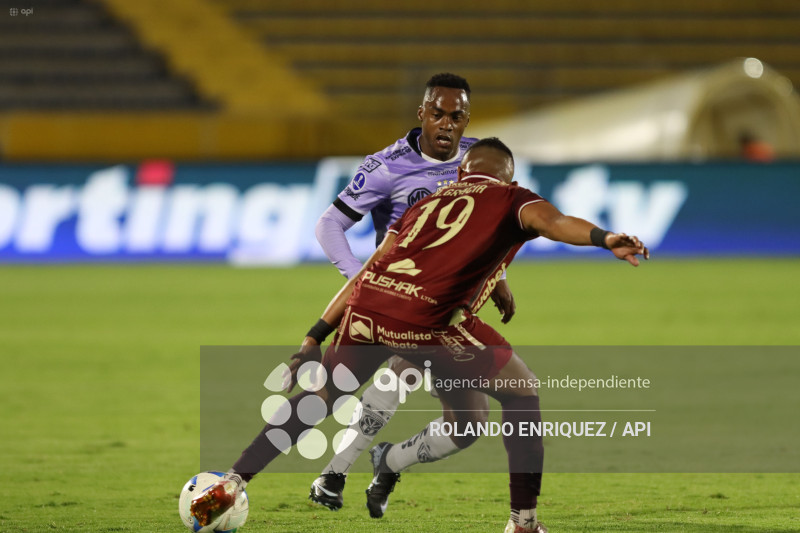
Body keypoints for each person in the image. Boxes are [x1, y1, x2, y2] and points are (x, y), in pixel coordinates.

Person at [190, 137, 649, 533]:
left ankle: (231, 482)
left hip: (370, 308)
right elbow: (555, 223)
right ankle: (524, 522)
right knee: (522, 390)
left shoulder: (424, 205)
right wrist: (605, 237)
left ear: (463, 170)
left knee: (327, 397)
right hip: (427, 322)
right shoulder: (513, 198)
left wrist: (314, 335)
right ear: (508, 175)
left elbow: (369, 270)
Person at [311, 72, 515, 514]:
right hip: (406, 297)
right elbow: (329, 224)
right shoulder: (386, 166)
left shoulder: (477, 159)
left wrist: (496, 280)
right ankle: (332, 472)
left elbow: (478, 228)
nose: (446, 124)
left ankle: (386, 461)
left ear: (466, 119)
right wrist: (359, 280)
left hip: (457, 303)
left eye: (456, 116)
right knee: (401, 369)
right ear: (422, 113)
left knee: (470, 423)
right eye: (438, 114)